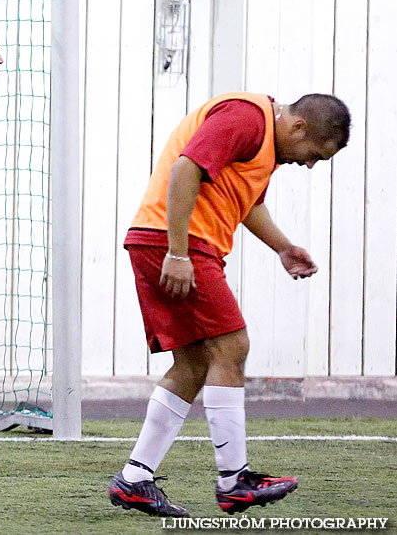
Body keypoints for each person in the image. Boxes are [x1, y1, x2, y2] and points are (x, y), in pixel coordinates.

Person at [106, 93, 351, 516]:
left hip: (164, 241)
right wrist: (179, 253)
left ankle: (134, 480)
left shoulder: (264, 143)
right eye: (314, 155)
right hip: (178, 244)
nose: (309, 165)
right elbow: (185, 169)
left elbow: (247, 202)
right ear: (298, 127)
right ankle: (234, 480)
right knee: (232, 347)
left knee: (194, 364)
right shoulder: (246, 118)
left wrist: (283, 247)